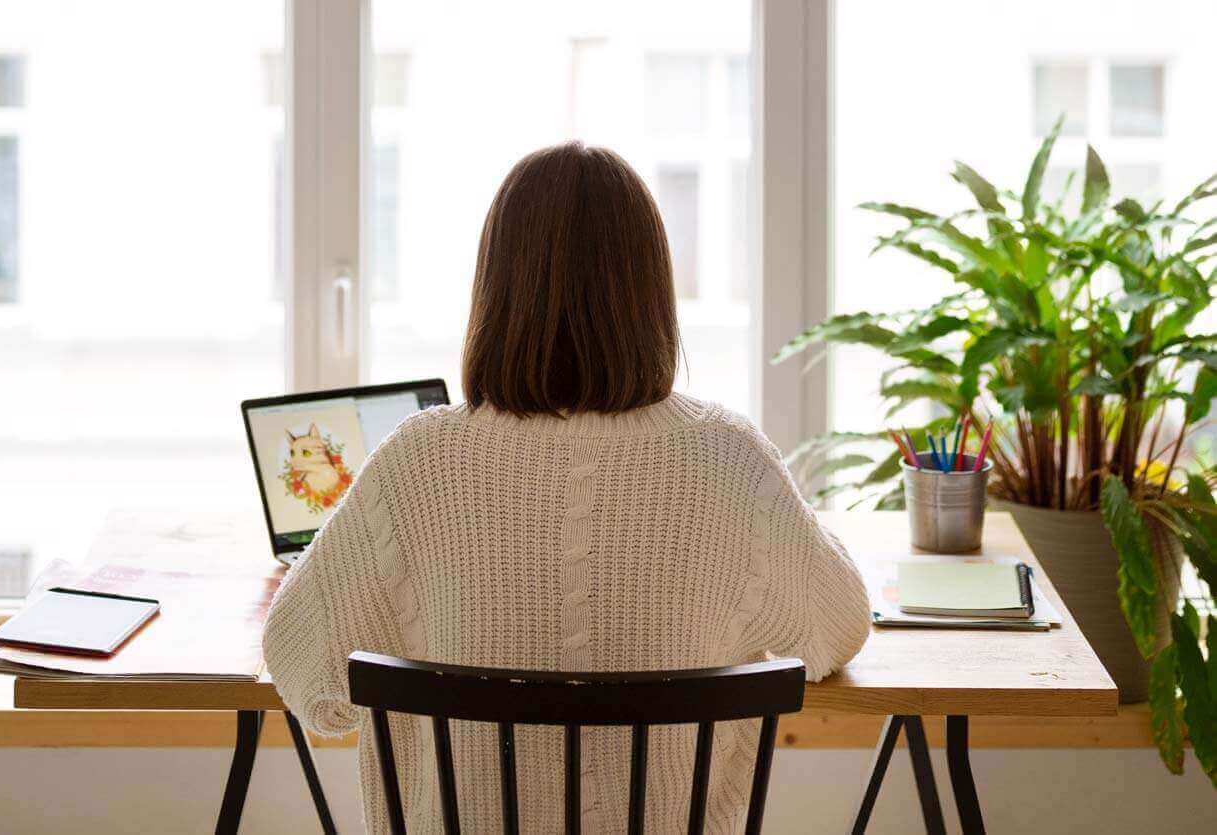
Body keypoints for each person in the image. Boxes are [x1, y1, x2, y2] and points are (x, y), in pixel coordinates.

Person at [263, 141, 870, 832]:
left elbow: (297, 649)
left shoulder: (418, 459)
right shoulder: (729, 458)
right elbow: (841, 625)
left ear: (495, 288)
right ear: (649, 293)